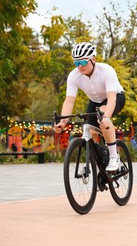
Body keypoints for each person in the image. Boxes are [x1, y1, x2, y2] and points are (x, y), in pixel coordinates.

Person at [54, 42, 126, 172]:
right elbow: (69, 101)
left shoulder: (107, 71)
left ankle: (114, 156)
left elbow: (112, 98)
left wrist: (107, 117)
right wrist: (62, 122)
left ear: (93, 59)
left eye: (82, 62)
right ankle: (100, 158)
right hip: (94, 101)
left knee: (103, 116)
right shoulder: (73, 76)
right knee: (91, 130)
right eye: (76, 63)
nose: (79, 66)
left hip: (116, 97)